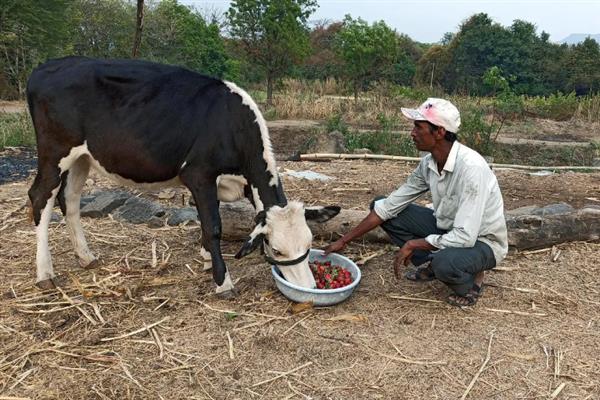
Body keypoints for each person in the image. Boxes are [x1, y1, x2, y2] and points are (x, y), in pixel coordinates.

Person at [324, 98, 508, 307]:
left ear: (439, 132)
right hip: (448, 229)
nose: (412, 133)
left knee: (444, 263)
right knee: (382, 206)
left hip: (481, 241)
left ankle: (472, 281)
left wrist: (414, 243)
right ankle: (432, 262)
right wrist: (345, 240)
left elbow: (466, 236)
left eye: (418, 127)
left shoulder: (471, 169)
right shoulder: (429, 163)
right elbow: (389, 206)